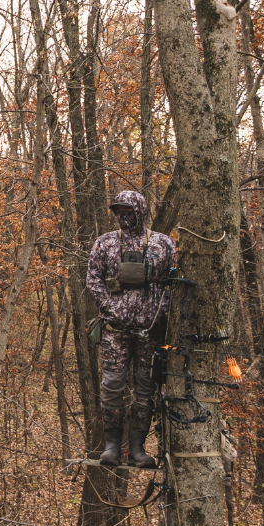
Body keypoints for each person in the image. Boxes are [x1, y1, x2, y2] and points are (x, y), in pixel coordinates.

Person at [86, 189, 175, 467]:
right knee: (112, 385)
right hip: (115, 331)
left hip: (151, 332)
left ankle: (137, 448)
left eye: (128, 210)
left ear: (140, 210)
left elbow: (175, 282)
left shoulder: (163, 243)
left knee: (145, 387)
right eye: (118, 211)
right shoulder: (105, 243)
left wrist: (161, 309)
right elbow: (93, 279)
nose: (123, 216)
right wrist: (110, 309)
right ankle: (112, 445)